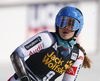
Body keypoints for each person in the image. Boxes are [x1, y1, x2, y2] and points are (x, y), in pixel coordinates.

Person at [8, 6, 91, 81]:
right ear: (56, 24)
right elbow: (16, 55)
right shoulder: (47, 38)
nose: (66, 27)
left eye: (71, 25)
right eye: (62, 22)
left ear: (78, 29)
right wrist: (25, 78)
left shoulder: (77, 55)